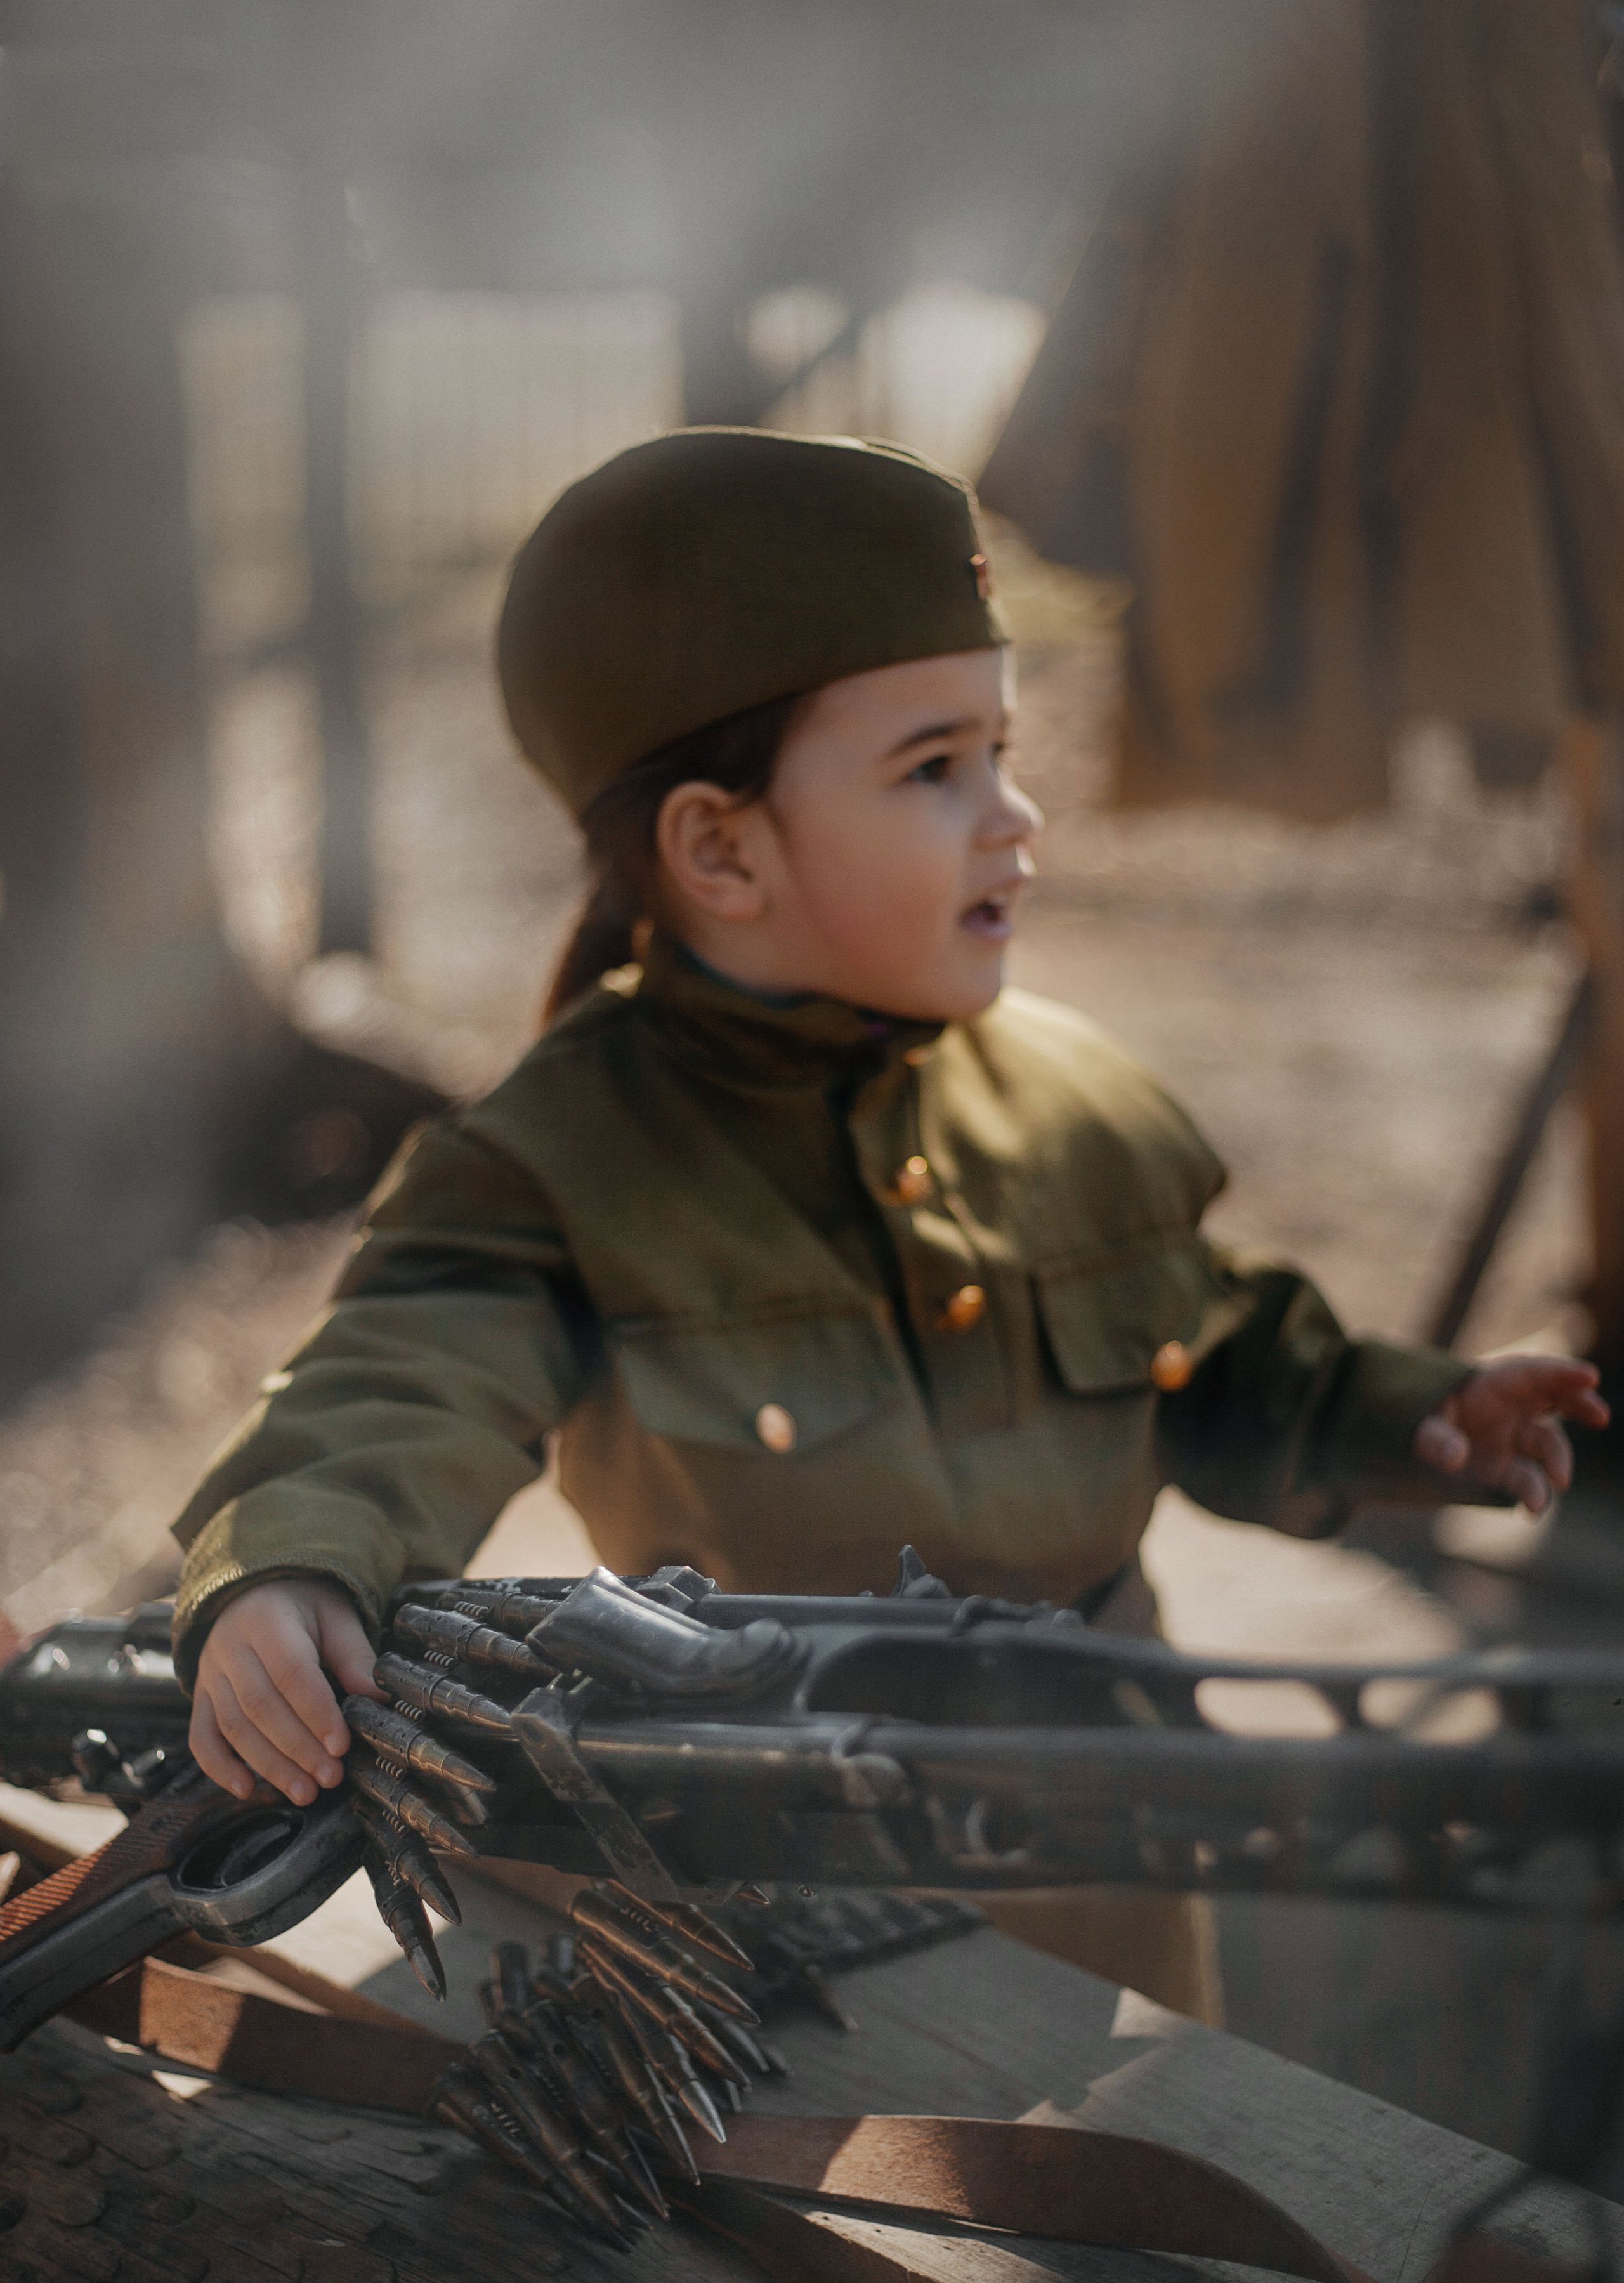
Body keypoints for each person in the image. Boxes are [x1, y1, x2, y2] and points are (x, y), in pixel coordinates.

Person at [169, 429, 1608, 2018]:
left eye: (1002, 749)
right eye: (935, 769)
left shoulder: (1071, 1103)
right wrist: (291, 1566)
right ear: (720, 846)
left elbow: (1216, 1351)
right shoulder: (556, 1160)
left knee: (1168, 2197)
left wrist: (1411, 1420)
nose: (1015, 817)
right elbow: (399, 1373)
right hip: (776, 1884)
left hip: (1117, 1844)